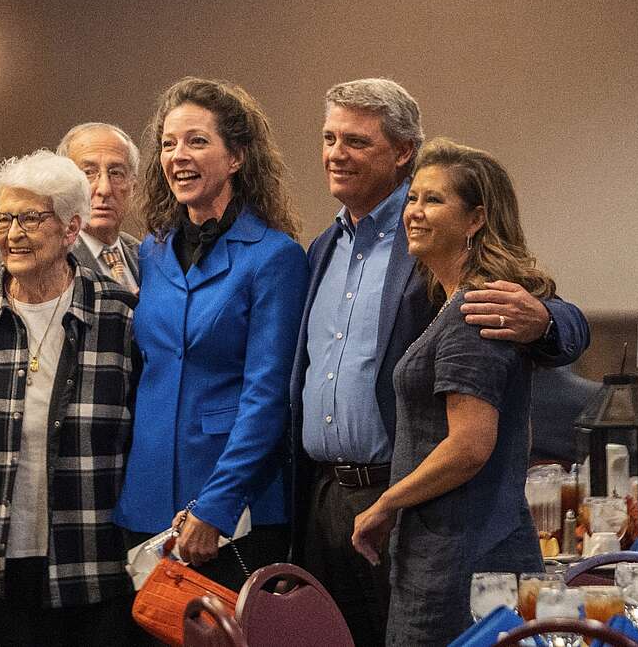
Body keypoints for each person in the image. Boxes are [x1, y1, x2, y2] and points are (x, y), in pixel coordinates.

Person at [291, 78, 588, 644]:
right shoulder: (320, 250)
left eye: (355, 140)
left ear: (402, 152)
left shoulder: (446, 263)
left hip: (413, 501)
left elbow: (541, 310)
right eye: (329, 138)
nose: (335, 154)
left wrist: (547, 321)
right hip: (329, 498)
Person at [350, 137, 560, 644]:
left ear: (476, 219)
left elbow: (469, 446)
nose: (414, 213)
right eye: (413, 199)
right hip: (456, 544)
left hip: (462, 559)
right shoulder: (458, 305)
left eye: (433, 200)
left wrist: (384, 506)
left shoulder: (475, 313)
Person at [114, 77, 309, 588]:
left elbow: (267, 396)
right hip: (148, 499)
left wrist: (218, 504)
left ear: (237, 157)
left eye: (197, 141)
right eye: (168, 143)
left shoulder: (275, 257)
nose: (179, 155)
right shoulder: (152, 252)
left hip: (232, 508)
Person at [0, 150, 138, 645]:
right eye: (5, 218)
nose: (13, 233)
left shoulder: (119, 316)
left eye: (31, 218)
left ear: (71, 228)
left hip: (90, 555)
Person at [57, 122, 142, 290]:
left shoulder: (146, 257)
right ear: (63, 185)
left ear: (133, 187)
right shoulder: (46, 258)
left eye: (116, 173)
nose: (104, 189)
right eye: (88, 172)